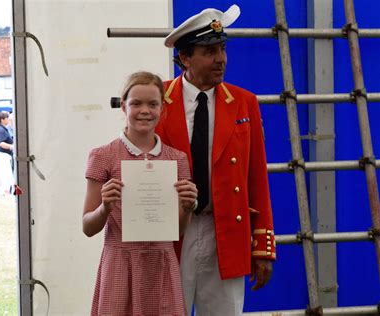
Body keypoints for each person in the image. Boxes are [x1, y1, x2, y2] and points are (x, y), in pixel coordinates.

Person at [155, 5, 275, 315]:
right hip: (171, 233)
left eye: (221, 49)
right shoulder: (156, 100)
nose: (220, 59)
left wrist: (263, 247)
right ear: (185, 57)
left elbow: (256, 176)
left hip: (226, 232)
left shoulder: (244, 102)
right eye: (209, 51)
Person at [83, 71, 198, 315]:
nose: (144, 110)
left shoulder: (177, 159)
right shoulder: (103, 156)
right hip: (119, 265)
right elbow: (88, 227)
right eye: (136, 103)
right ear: (123, 106)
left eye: (153, 104)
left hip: (162, 265)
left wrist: (188, 208)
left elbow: (175, 231)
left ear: (162, 109)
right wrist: (104, 207)